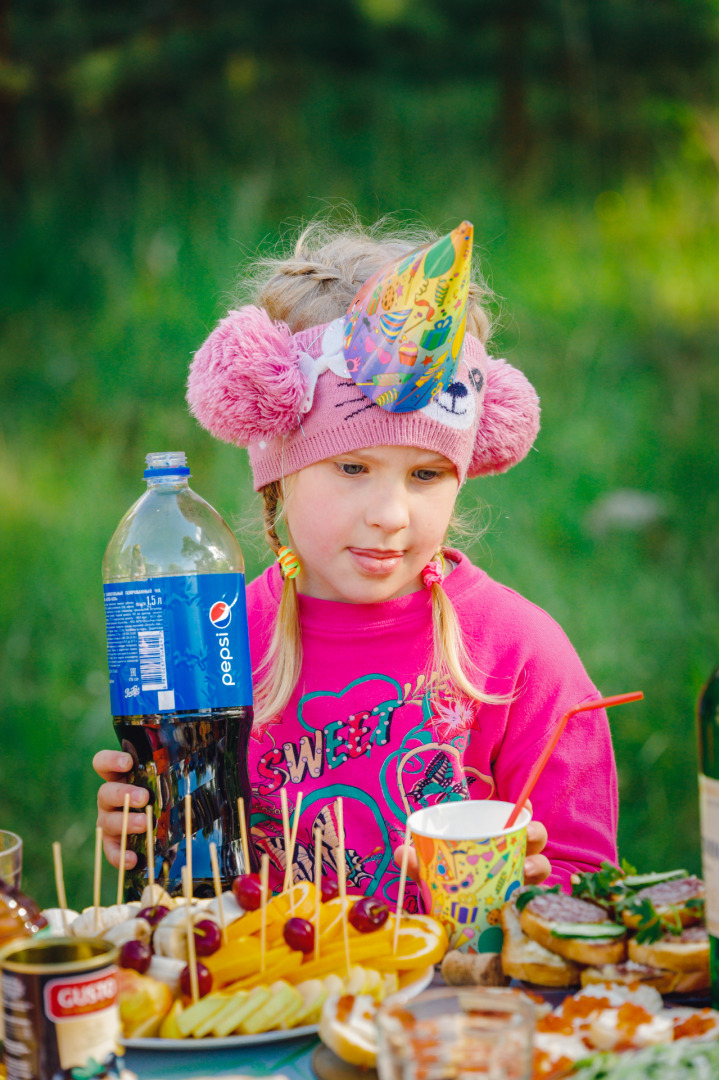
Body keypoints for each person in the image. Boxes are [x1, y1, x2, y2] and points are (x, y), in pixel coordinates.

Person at [94, 217, 618, 921]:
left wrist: (525, 890)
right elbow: (192, 871)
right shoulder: (217, 640)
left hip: (454, 1020)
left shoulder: (519, 655)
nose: (391, 513)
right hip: (269, 1006)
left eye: (427, 474)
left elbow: (586, 884)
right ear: (278, 467)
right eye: (351, 466)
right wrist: (148, 827)